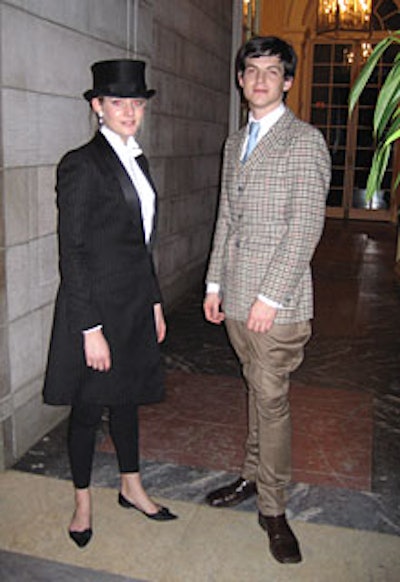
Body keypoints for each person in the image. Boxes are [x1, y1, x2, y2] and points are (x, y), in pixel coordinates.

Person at [203, 36, 331, 564]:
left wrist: (269, 296)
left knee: (271, 400)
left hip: (274, 306)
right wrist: (214, 285)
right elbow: (226, 218)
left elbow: (304, 227)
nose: (260, 79)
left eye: (271, 71)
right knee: (256, 391)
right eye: (251, 70)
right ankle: (253, 478)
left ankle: (274, 510)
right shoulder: (235, 143)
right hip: (236, 296)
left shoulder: (304, 141)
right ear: (240, 79)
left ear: (288, 80)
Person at [43, 59, 177, 549]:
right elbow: (72, 250)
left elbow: (142, 243)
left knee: (128, 399)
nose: (129, 110)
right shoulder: (80, 164)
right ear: (97, 106)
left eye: (136, 102)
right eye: (117, 101)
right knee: (86, 408)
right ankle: (82, 500)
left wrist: (155, 301)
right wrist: (89, 326)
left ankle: (131, 485)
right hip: (95, 309)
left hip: (134, 304)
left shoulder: (137, 160)